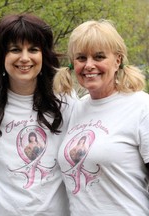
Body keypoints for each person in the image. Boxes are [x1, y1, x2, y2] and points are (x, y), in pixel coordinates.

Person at [0, 13, 75, 215]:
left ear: (44, 55)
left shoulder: (66, 101)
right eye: (15, 50)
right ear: (2, 56)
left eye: (33, 49)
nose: (24, 58)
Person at [54, 19, 149, 215]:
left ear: (117, 60)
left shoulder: (141, 106)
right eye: (81, 58)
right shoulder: (76, 109)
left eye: (99, 57)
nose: (89, 65)